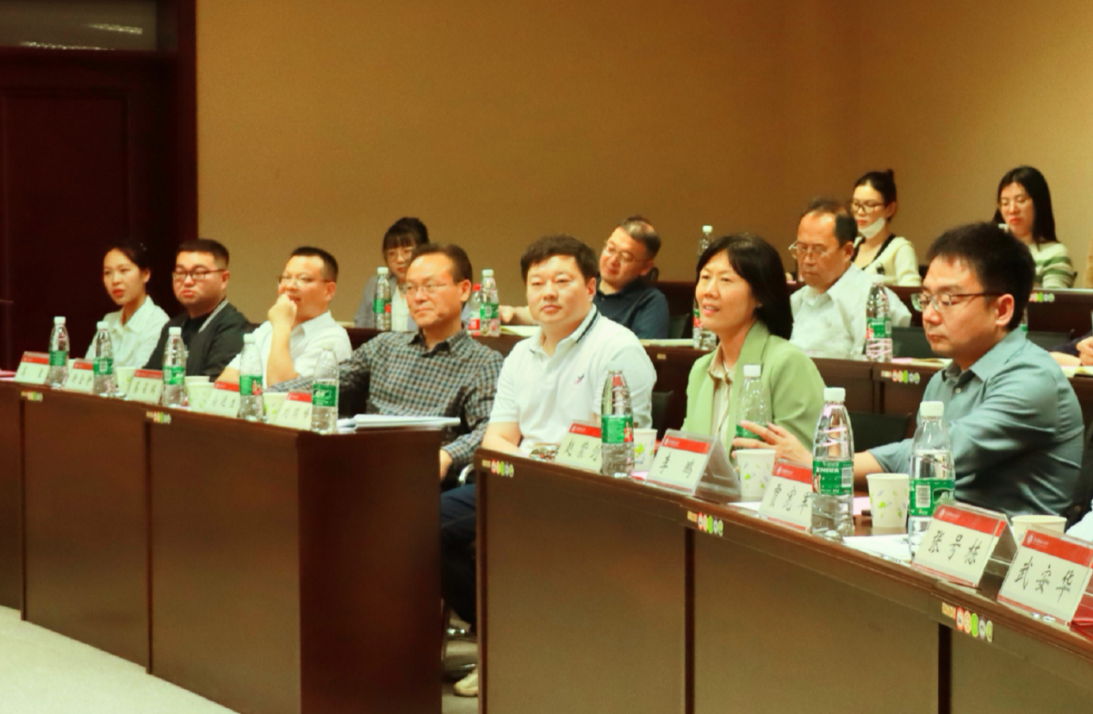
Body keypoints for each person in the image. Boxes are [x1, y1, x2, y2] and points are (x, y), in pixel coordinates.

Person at [440, 234, 657, 697]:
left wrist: (538, 469)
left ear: (591, 286)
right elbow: (497, 438)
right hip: (518, 482)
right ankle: (501, 640)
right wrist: (531, 469)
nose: (548, 292)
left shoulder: (617, 349)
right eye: (537, 283)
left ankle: (527, 648)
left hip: (588, 492)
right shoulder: (521, 352)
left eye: (562, 281)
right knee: (420, 523)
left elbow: (616, 445)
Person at [745, 223, 1084, 519]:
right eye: (926, 299)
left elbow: (934, 455)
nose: (930, 315)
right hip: (938, 539)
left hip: (1009, 557)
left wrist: (824, 462)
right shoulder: (944, 379)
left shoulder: (1032, 378)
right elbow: (914, 468)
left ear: (1002, 309)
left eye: (948, 300)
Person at [273, 243, 502, 483]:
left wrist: (448, 455)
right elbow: (325, 385)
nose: (418, 297)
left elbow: (490, 429)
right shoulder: (385, 346)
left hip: (424, 476)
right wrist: (266, 395)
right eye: (410, 288)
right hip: (365, 466)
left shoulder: (483, 362)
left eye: (431, 286)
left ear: (463, 290)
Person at [683, 233, 824, 450]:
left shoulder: (787, 363)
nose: (709, 291)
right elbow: (688, 454)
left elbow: (802, 458)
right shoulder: (701, 370)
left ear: (760, 295)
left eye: (725, 280)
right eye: (705, 277)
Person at [500, 217, 671, 339]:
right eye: (610, 249)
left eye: (625, 257)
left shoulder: (650, 301)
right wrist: (512, 314)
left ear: (645, 267)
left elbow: (646, 351)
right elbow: (546, 310)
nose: (612, 260)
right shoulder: (582, 285)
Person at [788, 198, 911, 358]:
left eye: (818, 250)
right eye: (801, 248)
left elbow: (870, 367)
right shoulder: (797, 300)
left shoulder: (871, 302)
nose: (807, 260)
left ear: (847, 252)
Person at [217, 247, 351, 385]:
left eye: (303, 279)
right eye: (286, 277)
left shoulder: (332, 339)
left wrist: (282, 327)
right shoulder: (268, 328)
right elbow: (225, 382)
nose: (290, 286)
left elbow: (281, 390)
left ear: (328, 291)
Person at [144, 239, 251, 378]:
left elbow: (213, 384)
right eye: (180, 273)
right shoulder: (173, 326)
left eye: (199, 273)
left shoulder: (234, 326)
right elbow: (149, 377)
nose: (187, 281)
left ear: (223, 279)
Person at [86, 239, 169, 368]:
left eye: (124, 270)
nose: (115, 280)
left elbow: (140, 375)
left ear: (145, 274)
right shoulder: (108, 321)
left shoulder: (158, 323)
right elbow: (87, 369)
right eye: (108, 272)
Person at [992, 165, 1075, 289]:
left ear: (1039, 203)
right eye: (1005, 203)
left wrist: (1031, 296)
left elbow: (1051, 298)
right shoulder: (991, 250)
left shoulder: (1054, 253)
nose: (1012, 209)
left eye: (1021, 200)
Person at [353, 217, 429, 329]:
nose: (399, 260)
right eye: (392, 254)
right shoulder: (376, 284)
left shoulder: (434, 286)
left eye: (407, 252)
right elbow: (361, 325)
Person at [849, 170, 921, 286]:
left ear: (890, 209)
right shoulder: (851, 246)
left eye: (870, 205)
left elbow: (911, 292)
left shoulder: (900, 249)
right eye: (856, 204)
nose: (860, 212)